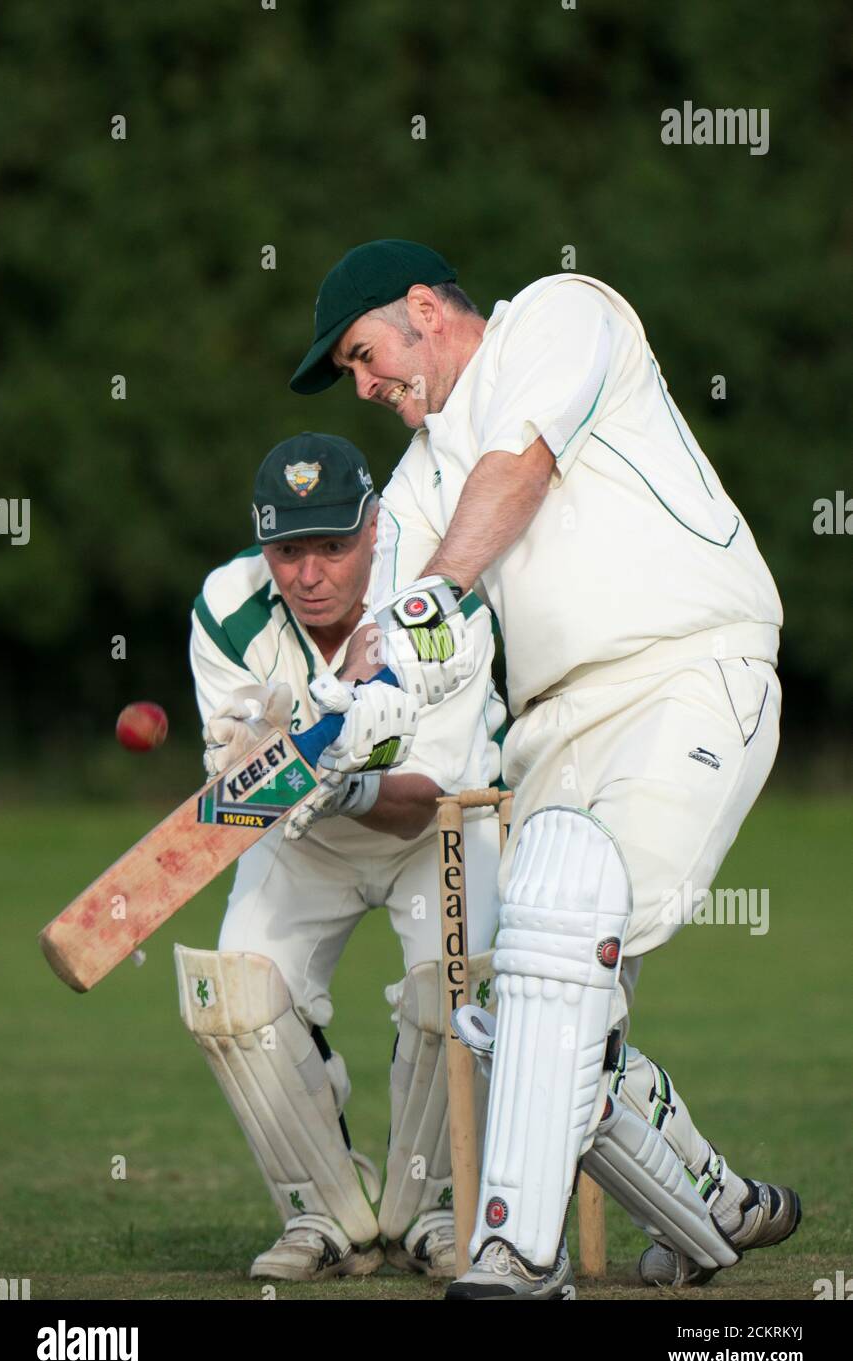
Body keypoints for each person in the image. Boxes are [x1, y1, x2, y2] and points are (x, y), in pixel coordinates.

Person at [287, 240, 801, 1298]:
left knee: (559, 921)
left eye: (362, 352)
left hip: (687, 673)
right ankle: (714, 1208)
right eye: (350, 372)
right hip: (553, 731)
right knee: (530, 1011)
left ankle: (513, 1256)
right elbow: (401, 632)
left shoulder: (562, 315)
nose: (366, 383)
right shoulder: (421, 473)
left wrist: (427, 605)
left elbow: (514, 472)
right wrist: (347, 713)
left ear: (425, 308)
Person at [175, 430, 506, 1282]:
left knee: (451, 996)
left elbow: (422, 803)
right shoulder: (226, 606)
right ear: (263, 543)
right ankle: (323, 1214)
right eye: (289, 550)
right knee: (232, 1000)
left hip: (433, 831)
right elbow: (245, 781)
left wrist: (339, 782)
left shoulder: (438, 609)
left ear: (374, 530)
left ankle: (434, 1212)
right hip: (300, 838)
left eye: (332, 545)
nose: (309, 573)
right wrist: (259, 766)